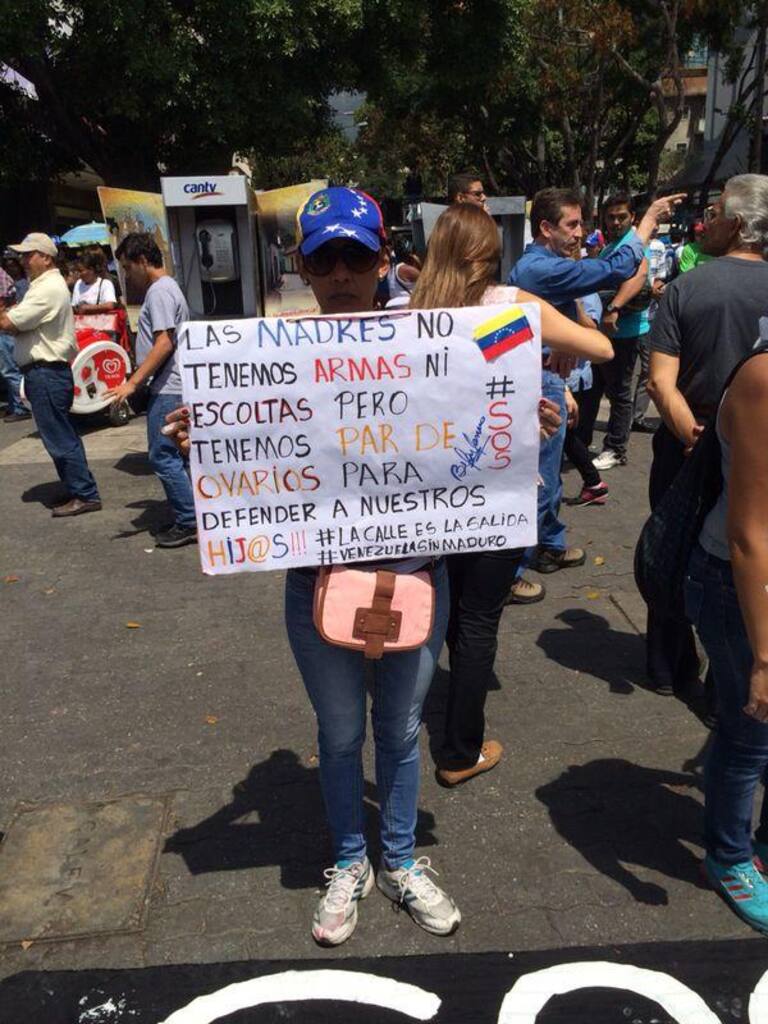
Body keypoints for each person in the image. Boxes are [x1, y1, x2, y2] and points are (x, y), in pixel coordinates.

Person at [166, 186, 463, 946]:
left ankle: (400, 860)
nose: (340, 274)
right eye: (324, 259)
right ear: (301, 266)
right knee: (338, 736)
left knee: (399, 732)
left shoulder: (436, 341)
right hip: (319, 586)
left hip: (414, 579)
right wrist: (208, 440)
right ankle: (351, 860)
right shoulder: (269, 355)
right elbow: (254, 463)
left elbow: (481, 418)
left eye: (355, 258)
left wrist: (528, 421)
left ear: (383, 260)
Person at [408, 203, 613, 786]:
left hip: (431, 494)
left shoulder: (411, 313)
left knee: (450, 607)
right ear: (489, 253)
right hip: (497, 491)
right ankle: (458, 750)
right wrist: (558, 333)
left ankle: (429, 719)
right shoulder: (512, 307)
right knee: (480, 619)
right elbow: (602, 350)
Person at [508, 187, 683, 578]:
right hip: (539, 381)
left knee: (549, 473)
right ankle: (513, 572)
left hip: (551, 379)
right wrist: (647, 222)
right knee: (537, 477)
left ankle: (549, 544)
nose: (580, 233)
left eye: (581, 224)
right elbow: (613, 270)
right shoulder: (538, 269)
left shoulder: (547, 265)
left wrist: (564, 365)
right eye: (572, 225)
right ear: (546, 228)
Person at [647, 173, 768, 700]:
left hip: (687, 450)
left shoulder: (685, 288)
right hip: (757, 459)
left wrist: (693, 436)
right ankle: (732, 676)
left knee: (671, 553)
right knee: (749, 556)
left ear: (737, 225)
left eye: (715, 214)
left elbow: (660, 381)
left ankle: (668, 666)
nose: (705, 223)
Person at [684, 345, 768, 935]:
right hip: (741, 586)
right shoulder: (764, 380)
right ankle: (730, 857)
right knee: (751, 733)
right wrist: (764, 657)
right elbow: (747, 535)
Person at [0, 232, 101, 514]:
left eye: (28, 255)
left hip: (46, 371)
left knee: (59, 436)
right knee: (60, 433)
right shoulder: (44, 285)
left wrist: (6, 314)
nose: (22, 260)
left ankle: (85, 493)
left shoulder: (47, 288)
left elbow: (8, 322)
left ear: (46, 258)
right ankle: (77, 488)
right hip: (46, 371)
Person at [107, 232, 196, 549]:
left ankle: (189, 520)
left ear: (143, 261)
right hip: (174, 384)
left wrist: (133, 382)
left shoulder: (159, 291)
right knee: (181, 454)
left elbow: (164, 342)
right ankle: (194, 514)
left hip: (168, 387)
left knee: (162, 456)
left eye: (128, 267)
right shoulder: (168, 288)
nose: (127, 275)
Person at [592, 193, 652, 472]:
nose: (616, 222)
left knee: (620, 392)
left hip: (626, 332)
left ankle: (616, 448)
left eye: (621, 217)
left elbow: (640, 281)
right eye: (611, 217)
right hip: (604, 333)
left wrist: (614, 307)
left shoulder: (634, 245)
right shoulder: (611, 247)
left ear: (632, 218)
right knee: (599, 389)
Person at [0, 258, 30, 422]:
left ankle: (22, 407)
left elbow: (2, 302)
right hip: (5, 327)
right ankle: (15, 405)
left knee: (10, 370)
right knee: (8, 370)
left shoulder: (1, 276)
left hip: (4, 328)